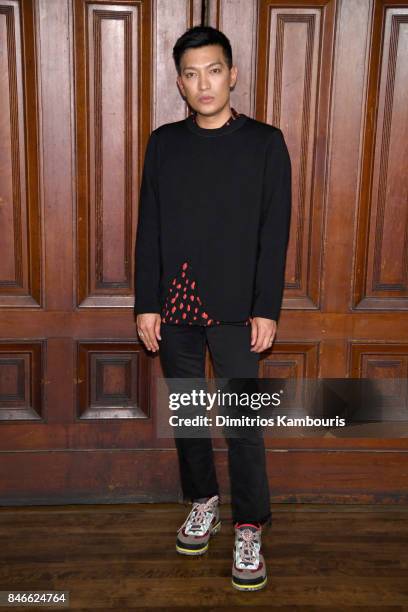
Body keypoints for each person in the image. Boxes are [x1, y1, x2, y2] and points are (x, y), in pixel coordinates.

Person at [134, 25, 292, 591]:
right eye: (192, 74)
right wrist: (146, 303)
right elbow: (148, 225)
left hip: (236, 308)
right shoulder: (164, 143)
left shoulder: (265, 143)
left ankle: (249, 525)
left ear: (233, 74)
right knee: (189, 416)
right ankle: (202, 501)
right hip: (173, 304)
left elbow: (274, 233)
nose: (204, 83)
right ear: (180, 83)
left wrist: (266, 307)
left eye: (214, 70)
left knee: (243, 424)